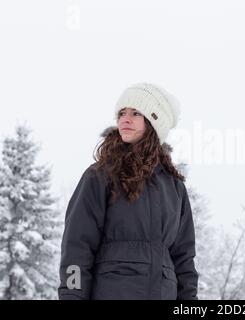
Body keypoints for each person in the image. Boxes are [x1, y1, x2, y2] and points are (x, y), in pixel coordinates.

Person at [58, 83, 198, 300]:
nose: (125, 119)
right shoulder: (100, 175)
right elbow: (77, 246)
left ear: (154, 122)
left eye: (135, 113)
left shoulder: (175, 187)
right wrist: (72, 295)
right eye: (122, 113)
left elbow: (184, 258)